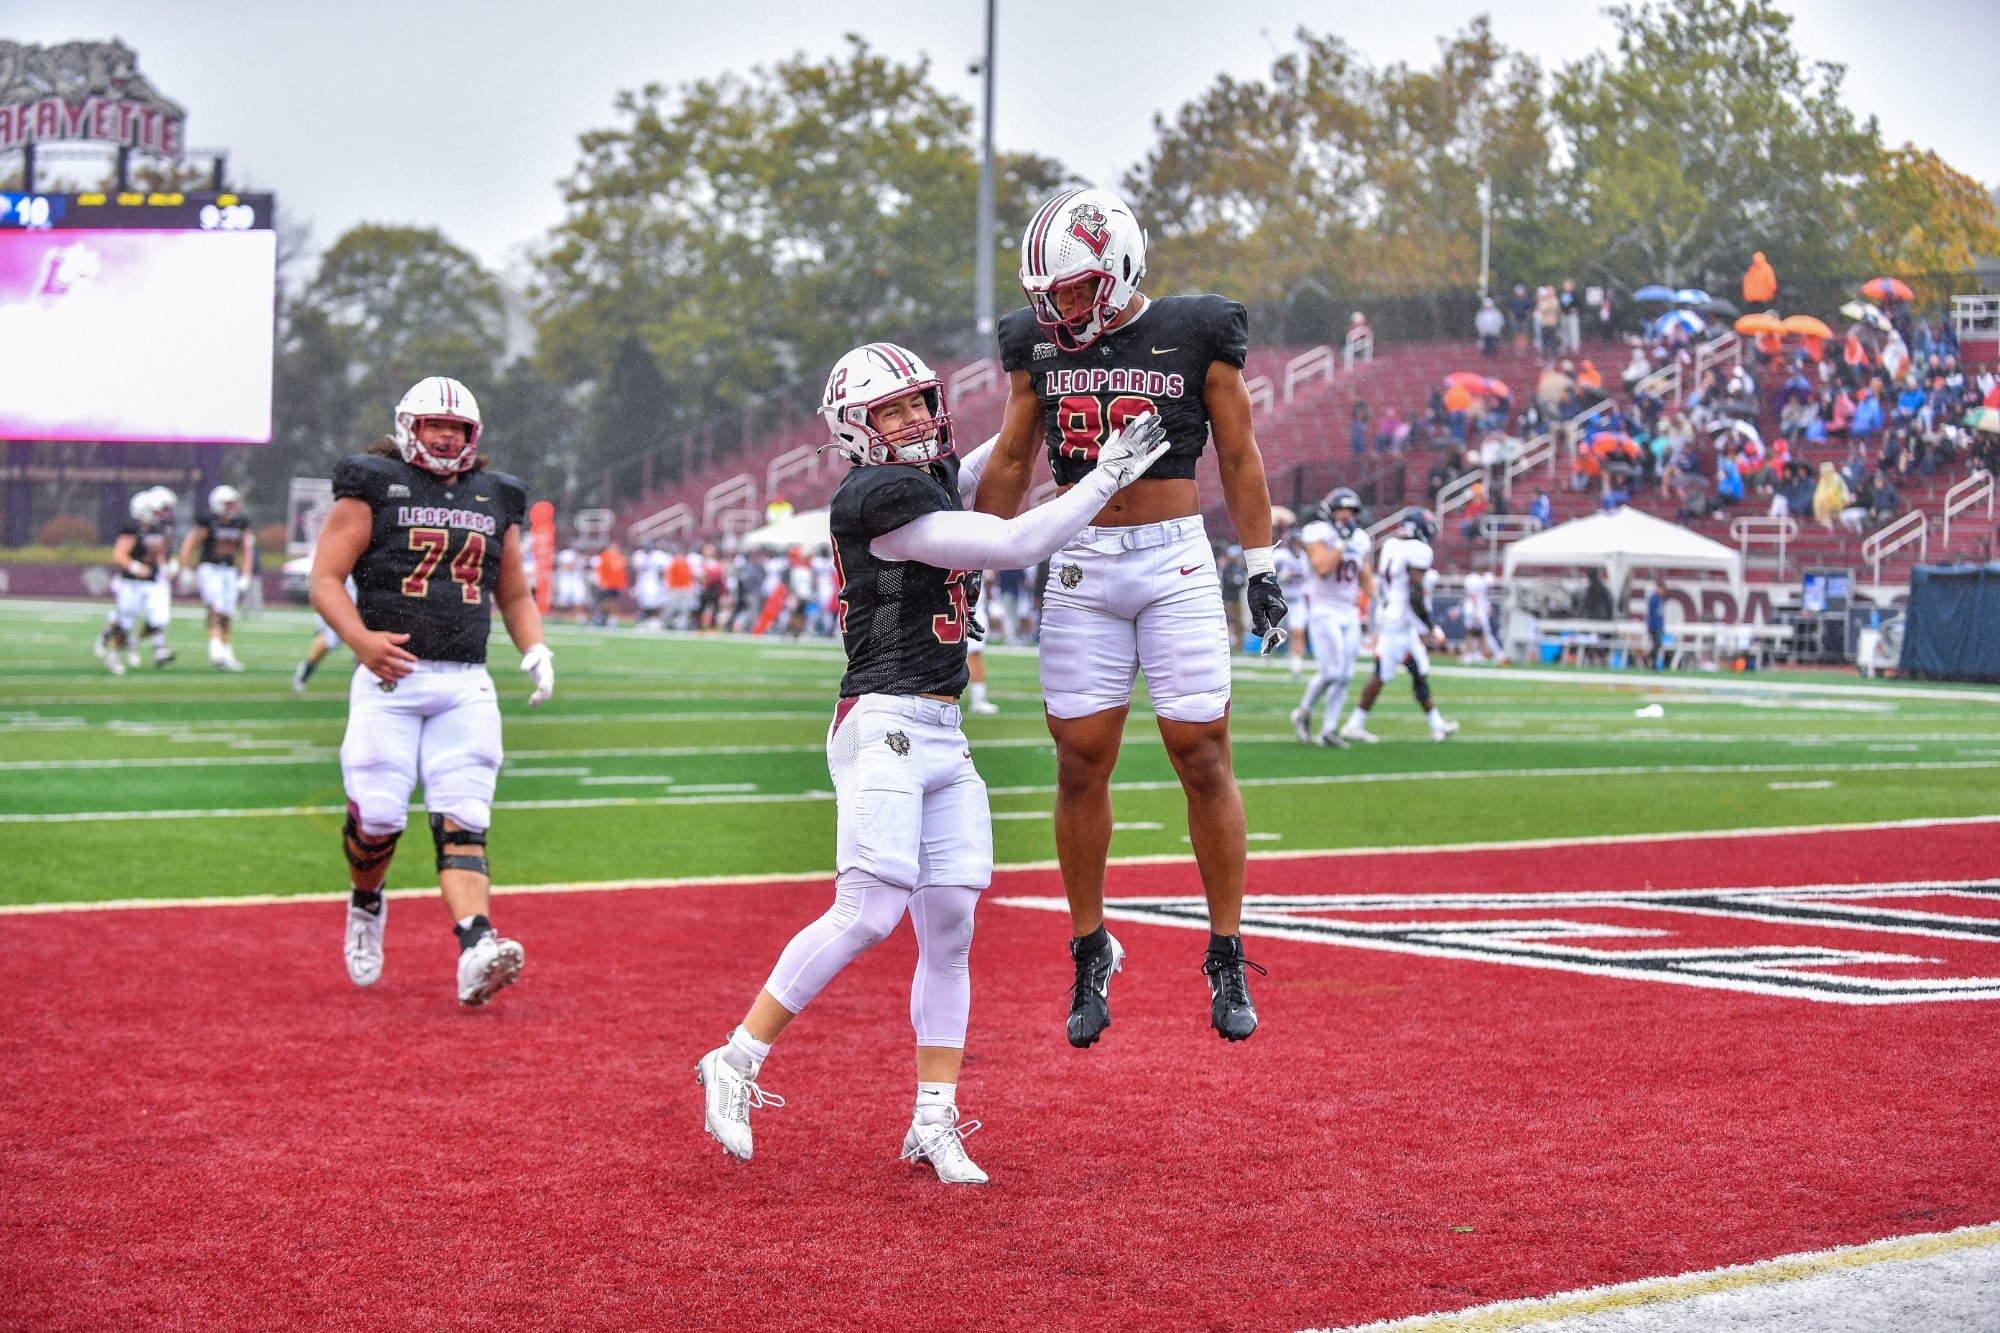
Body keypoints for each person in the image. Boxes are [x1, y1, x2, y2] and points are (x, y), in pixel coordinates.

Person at [695, 340, 1173, 1181]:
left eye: (921, 402)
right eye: (894, 411)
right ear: (858, 428)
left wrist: (1044, 408)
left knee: (950, 923)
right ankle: (734, 1060)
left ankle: (933, 1117)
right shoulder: (873, 498)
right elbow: (1012, 541)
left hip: (945, 731)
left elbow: (990, 460)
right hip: (882, 720)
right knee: (871, 908)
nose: (916, 420)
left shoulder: (919, 474)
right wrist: (1102, 477)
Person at [974, 187, 1284, 1047]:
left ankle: (1224, 947)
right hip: (1079, 562)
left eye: (1072, 291)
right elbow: (1009, 456)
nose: (1058, 309)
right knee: (1080, 762)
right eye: (1049, 295)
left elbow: (1238, 453)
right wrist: (972, 562)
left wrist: (1260, 564)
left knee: (1202, 752)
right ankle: (1088, 945)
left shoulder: (1196, 330)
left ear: (1117, 268)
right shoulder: (1037, 345)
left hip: (1175, 560)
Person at [309, 376, 554, 1009]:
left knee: (465, 821)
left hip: (465, 682)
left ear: (474, 436)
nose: (446, 437)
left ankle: (477, 946)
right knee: (379, 817)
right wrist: (361, 640)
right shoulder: (372, 484)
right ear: (406, 428)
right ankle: (367, 900)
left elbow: (514, 591)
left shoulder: (495, 495)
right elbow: (327, 578)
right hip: (391, 680)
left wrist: (535, 649)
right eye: (434, 426)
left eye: (458, 429)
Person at [1338, 511, 1456, 743]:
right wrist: (1431, 625)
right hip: (1399, 621)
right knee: (1383, 673)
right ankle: (1354, 724)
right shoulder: (1419, 552)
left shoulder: (1391, 545)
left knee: (1417, 671)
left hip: (1394, 616)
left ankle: (1436, 724)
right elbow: (1414, 593)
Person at [1291, 488, 1372, 747]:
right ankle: (1303, 713)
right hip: (1323, 608)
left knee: (1346, 674)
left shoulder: (1360, 538)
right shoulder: (1318, 533)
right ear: (1330, 512)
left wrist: (1380, 597)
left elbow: (1364, 575)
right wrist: (1340, 544)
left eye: (1351, 512)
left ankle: (1329, 729)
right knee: (1332, 671)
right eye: (1341, 511)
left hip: (1349, 609)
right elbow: (1323, 568)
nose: (1347, 517)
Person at [98, 488, 178, 674]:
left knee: (160, 618)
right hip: (131, 582)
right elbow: (119, 554)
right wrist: (135, 567)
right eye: (154, 511)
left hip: (152, 581)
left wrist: (167, 565)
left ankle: (142, 643)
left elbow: (161, 552)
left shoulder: (160, 528)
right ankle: (114, 655)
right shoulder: (133, 530)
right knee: (125, 621)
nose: (158, 514)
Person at [177, 485, 254, 672]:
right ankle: (215, 647)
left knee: (228, 612)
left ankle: (227, 651)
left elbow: (246, 549)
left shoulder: (239, 523)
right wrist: (186, 568)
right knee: (215, 606)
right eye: (229, 504)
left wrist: (246, 573)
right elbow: (189, 544)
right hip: (210, 568)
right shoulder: (208, 522)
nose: (233, 508)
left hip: (228, 570)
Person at [1460, 565, 1501, 664]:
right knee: (1479, 632)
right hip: (1475, 609)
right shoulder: (1475, 580)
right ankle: (1472, 654)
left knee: (1476, 633)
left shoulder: (1473, 578)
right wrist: (1477, 612)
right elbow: (1474, 596)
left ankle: (1475, 654)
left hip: (1473, 608)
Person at [590, 542, 627, 626]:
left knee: (613, 602)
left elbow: (621, 572)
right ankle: (600, 617)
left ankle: (610, 618)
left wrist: (623, 583)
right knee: (605, 602)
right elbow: (600, 571)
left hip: (616, 584)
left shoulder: (619, 557)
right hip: (607, 584)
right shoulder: (604, 557)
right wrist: (602, 582)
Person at [1645, 578, 1668, 670]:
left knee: (1658, 645)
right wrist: (1650, 628)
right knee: (1656, 644)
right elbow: (1651, 615)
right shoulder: (1653, 599)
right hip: (1654, 627)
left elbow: (1660, 616)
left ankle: (1653, 664)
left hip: (1659, 627)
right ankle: (1648, 657)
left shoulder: (1659, 600)